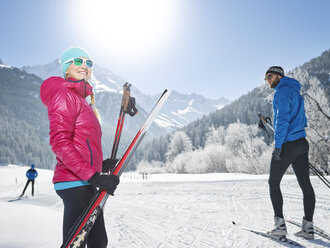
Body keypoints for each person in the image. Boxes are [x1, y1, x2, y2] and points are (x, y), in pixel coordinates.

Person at [40, 47, 119, 248]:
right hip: (74, 182)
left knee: (95, 242)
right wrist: (93, 175)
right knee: (80, 242)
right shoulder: (64, 95)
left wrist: (99, 166)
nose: (85, 65)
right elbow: (60, 142)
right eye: (78, 60)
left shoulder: (79, 99)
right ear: (67, 68)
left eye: (89, 62)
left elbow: (81, 145)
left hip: (83, 180)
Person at [265, 66, 315, 239]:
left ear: (279, 75)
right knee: (305, 185)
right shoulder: (295, 91)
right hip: (301, 143)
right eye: (266, 78)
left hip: (288, 144)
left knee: (273, 183)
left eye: (270, 76)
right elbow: (300, 118)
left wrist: (278, 146)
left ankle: (279, 227)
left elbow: (282, 120)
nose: (268, 81)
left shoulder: (281, 92)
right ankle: (308, 228)